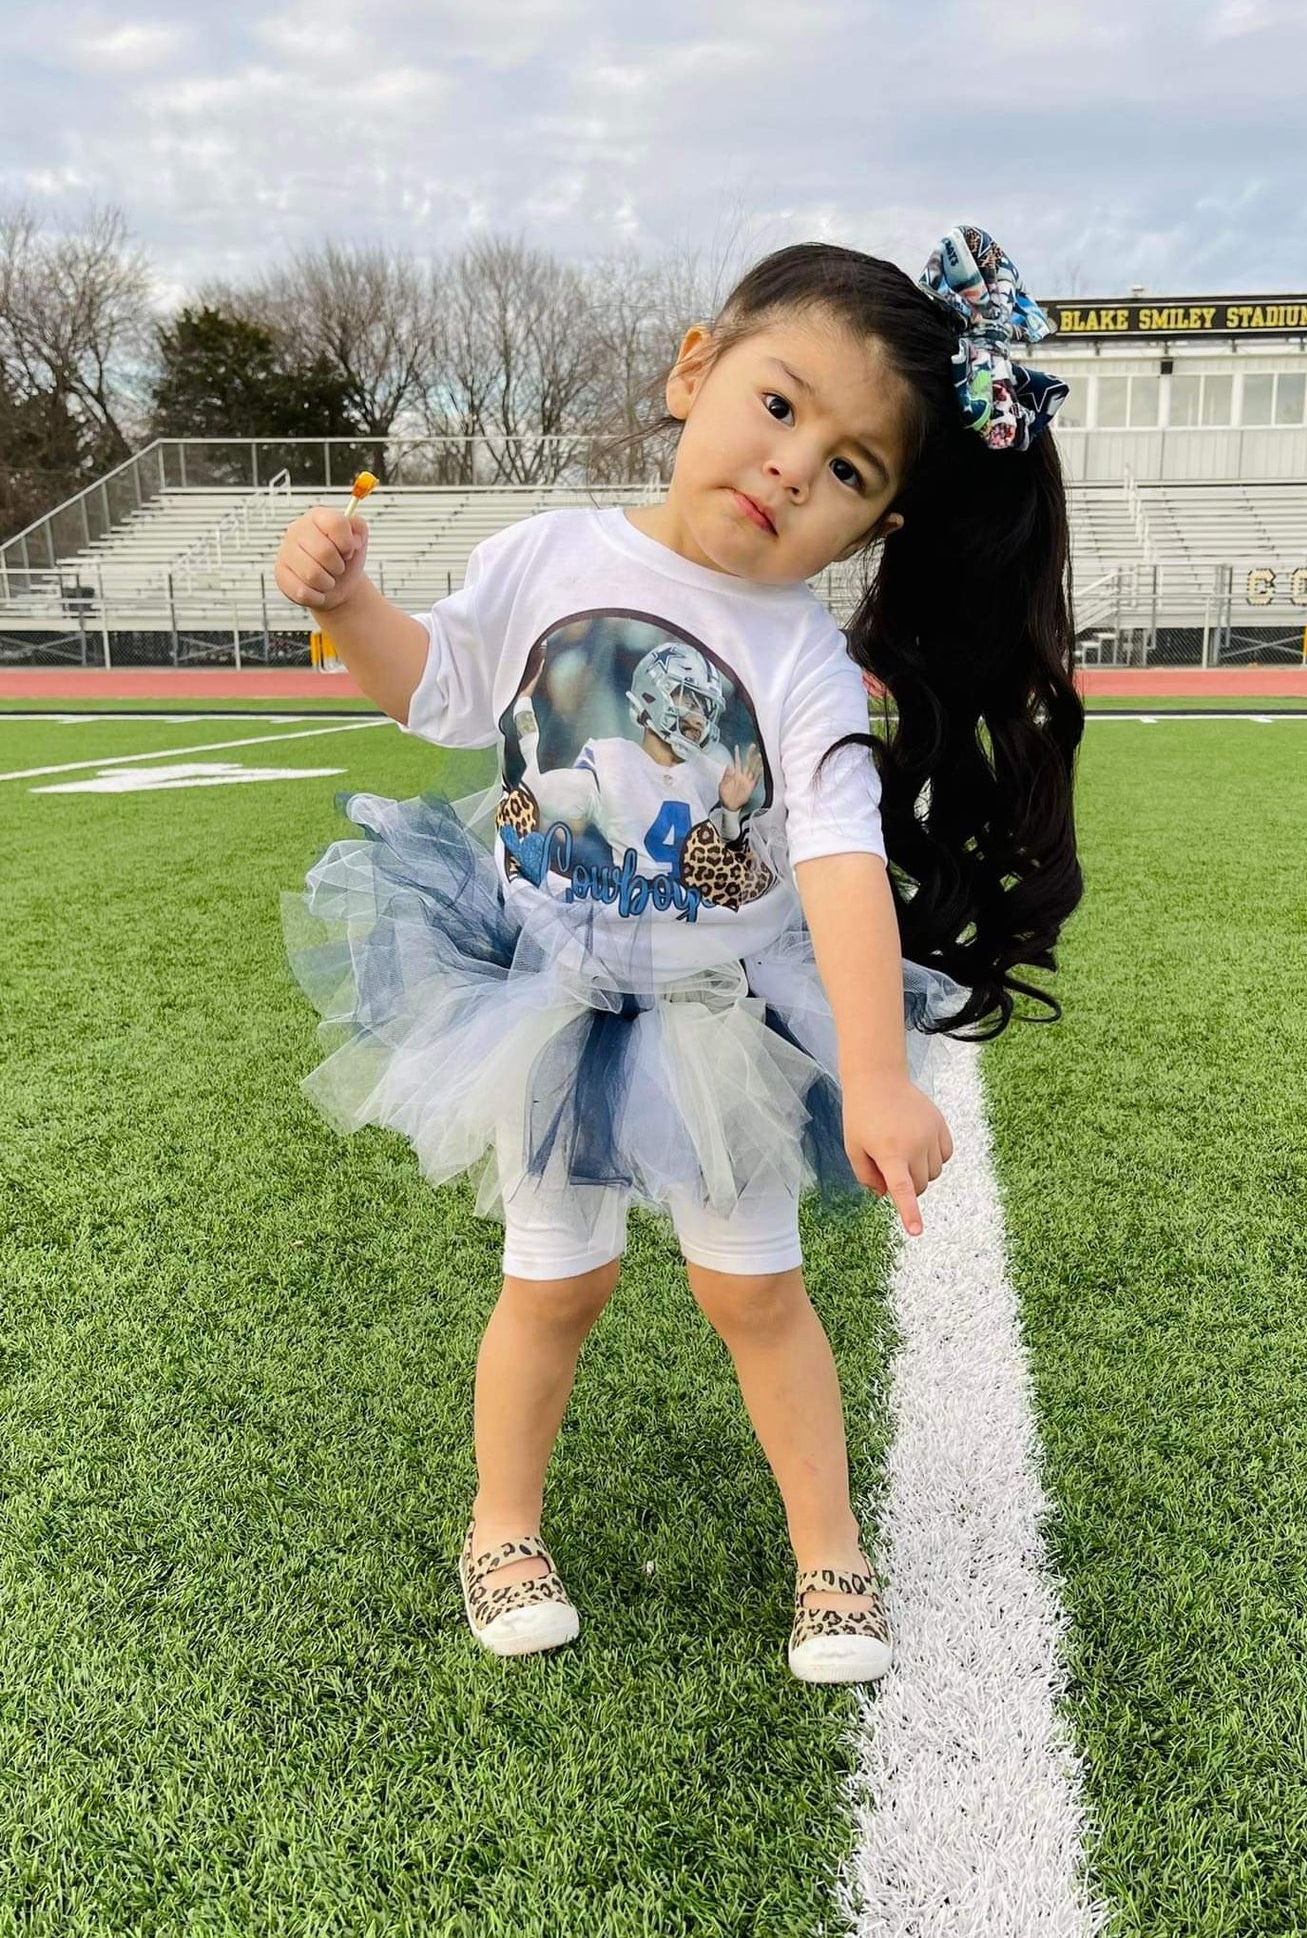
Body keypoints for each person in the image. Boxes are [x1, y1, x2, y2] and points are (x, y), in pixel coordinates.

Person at [273, 223, 1085, 1684]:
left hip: (717, 1012)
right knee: (553, 1283)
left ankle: (831, 1552)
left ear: (875, 525)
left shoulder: (799, 661)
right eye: (779, 406)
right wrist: (348, 610)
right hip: (540, 991)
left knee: (752, 1291)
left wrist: (876, 1074)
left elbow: (839, 863)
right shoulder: (544, 553)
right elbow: (445, 694)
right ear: (692, 369)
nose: (791, 467)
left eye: (850, 468)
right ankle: (500, 1525)